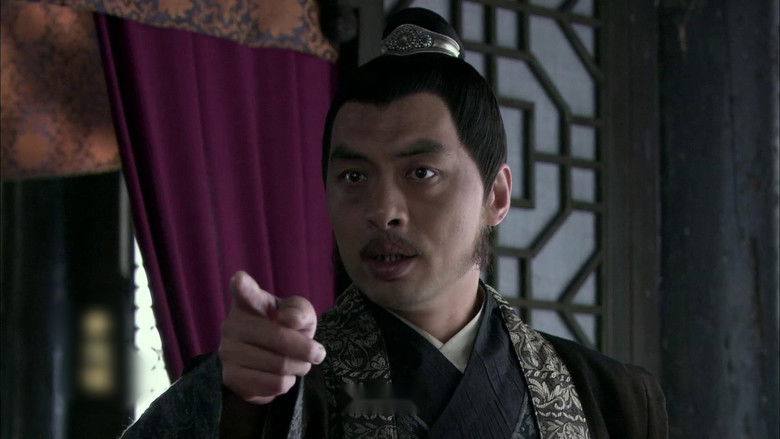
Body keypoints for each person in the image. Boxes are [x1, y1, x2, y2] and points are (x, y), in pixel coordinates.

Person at [122, 8, 667, 439]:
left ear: (496, 195)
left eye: (421, 172)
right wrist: (234, 404)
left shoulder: (613, 400)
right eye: (354, 176)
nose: (384, 211)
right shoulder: (269, 386)